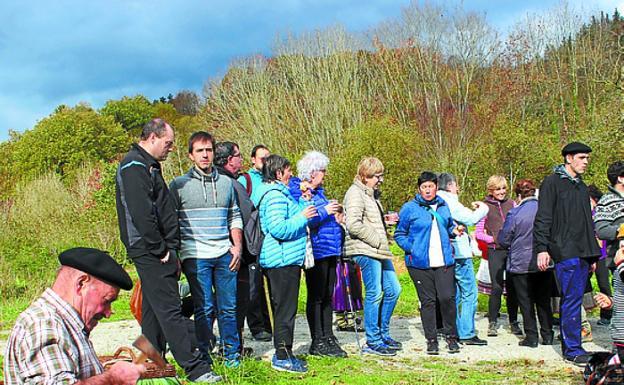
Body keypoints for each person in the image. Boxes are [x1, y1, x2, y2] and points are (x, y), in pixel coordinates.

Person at [115, 119, 220, 383]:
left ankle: (147, 362)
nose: (170, 149)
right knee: (170, 308)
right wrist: (160, 248)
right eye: (168, 143)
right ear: (152, 137)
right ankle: (196, 369)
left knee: (152, 308)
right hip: (150, 249)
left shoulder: (147, 165)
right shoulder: (134, 166)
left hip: (156, 248)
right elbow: (142, 213)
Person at [3, 247, 144, 385]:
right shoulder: (44, 324)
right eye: (106, 300)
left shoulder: (66, 324)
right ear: (81, 284)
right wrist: (113, 378)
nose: (108, 313)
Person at [169, 132, 244, 368]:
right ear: (191, 155)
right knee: (204, 308)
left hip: (224, 253)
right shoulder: (179, 185)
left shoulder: (226, 183)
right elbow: (171, 222)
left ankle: (232, 355)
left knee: (229, 307)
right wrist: (177, 254)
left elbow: (235, 215)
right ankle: (204, 356)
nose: (205, 155)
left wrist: (238, 247)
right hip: (195, 255)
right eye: (200, 150)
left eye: (209, 150)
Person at [533, 141, 602, 364]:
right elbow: (543, 217)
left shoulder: (581, 186)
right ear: (568, 158)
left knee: (576, 300)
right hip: (565, 250)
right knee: (570, 300)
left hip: (584, 251)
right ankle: (571, 349)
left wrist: (593, 255)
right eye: (582, 158)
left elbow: (586, 223)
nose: (585, 162)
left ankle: (576, 345)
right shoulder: (552, 183)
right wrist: (542, 249)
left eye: (587, 158)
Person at [255, 154, 317, 373]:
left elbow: (293, 216)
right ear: (278, 173)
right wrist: (303, 217)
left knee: (285, 308)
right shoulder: (274, 196)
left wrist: (304, 201)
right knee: (284, 310)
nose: (292, 175)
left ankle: (286, 352)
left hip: (286, 258)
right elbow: (278, 228)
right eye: (288, 170)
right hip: (281, 260)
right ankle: (282, 355)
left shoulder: (282, 195)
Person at [395, 171, 462, 355]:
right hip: (419, 263)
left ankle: (451, 336)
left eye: (430, 186)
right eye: (424, 187)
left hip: (444, 261)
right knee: (428, 302)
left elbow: (448, 226)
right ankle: (431, 340)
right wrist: (412, 247)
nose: (427, 190)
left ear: (436, 187)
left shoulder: (443, 206)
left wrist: (455, 230)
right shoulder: (410, 208)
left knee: (447, 298)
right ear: (419, 189)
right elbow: (399, 233)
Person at [288, 151, 347, 357]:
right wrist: (326, 211)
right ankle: (317, 340)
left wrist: (338, 216)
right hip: (316, 249)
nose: (325, 174)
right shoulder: (298, 191)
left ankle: (328, 336)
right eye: (322, 170)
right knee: (316, 296)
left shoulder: (319, 192)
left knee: (328, 295)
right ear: (312, 172)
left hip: (330, 248)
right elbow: (307, 219)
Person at [343, 157, 402, 356]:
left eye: (380, 175)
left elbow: (368, 220)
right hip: (365, 250)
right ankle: (373, 340)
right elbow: (353, 224)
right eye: (376, 176)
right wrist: (377, 239)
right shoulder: (355, 194)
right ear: (364, 176)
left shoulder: (370, 195)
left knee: (394, 289)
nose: (380, 180)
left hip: (378, 250)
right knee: (375, 293)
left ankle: (383, 333)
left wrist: (384, 224)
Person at [498, 179, 554, 348]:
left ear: (518, 195)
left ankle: (531, 337)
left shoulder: (515, 213)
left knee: (526, 300)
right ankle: (548, 334)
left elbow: (504, 239)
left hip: (521, 263)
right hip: (545, 261)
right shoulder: (546, 210)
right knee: (544, 301)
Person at [214, 141, 256, 355]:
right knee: (235, 301)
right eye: (238, 156)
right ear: (229, 160)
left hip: (217, 250)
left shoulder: (213, 180)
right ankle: (232, 347)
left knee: (224, 302)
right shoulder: (230, 183)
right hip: (234, 252)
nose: (242, 159)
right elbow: (247, 214)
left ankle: (228, 345)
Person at [437, 172, 489, 346]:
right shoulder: (450, 201)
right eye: (456, 185)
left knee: (455, 294)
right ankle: (466, 332)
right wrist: (483, 207)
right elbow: (471, 219)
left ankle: (454, 329)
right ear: (450, 185)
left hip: (445, 254)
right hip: (459, 252)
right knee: (469, 293)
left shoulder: (435, 201)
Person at [475, 175, 520, 337]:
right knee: (497, 287)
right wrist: (493, 239)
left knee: (513, 287)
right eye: (497, 189)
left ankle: (514, 322)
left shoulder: (512, 204)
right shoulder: (484, 207)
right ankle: (492, 322)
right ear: (491, 190)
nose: (501, 192)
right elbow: (478, 234)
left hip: (512, 250)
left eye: (503, 189)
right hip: (495, 251)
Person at [238, 144, 273, 342]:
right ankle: (257, 326)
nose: (265, 161)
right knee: (254, 285)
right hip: (253, 239)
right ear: (252, 159)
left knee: (271, 285)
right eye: (262, 158)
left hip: (270, 239)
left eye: (268, 158)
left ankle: (269, 325)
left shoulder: (272, 179)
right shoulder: (246, 180)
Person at [595, 161, 624, 323]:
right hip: (620, 260)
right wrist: (622, 229)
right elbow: (601, 230)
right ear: (620, 178)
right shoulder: (607, 201)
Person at [594, 224, 624, 362]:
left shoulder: (621, 266)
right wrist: (611, 303)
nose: (622, 248)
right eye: (621, 244)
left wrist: (621, 265)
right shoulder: (619, 269)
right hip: (619, 335)